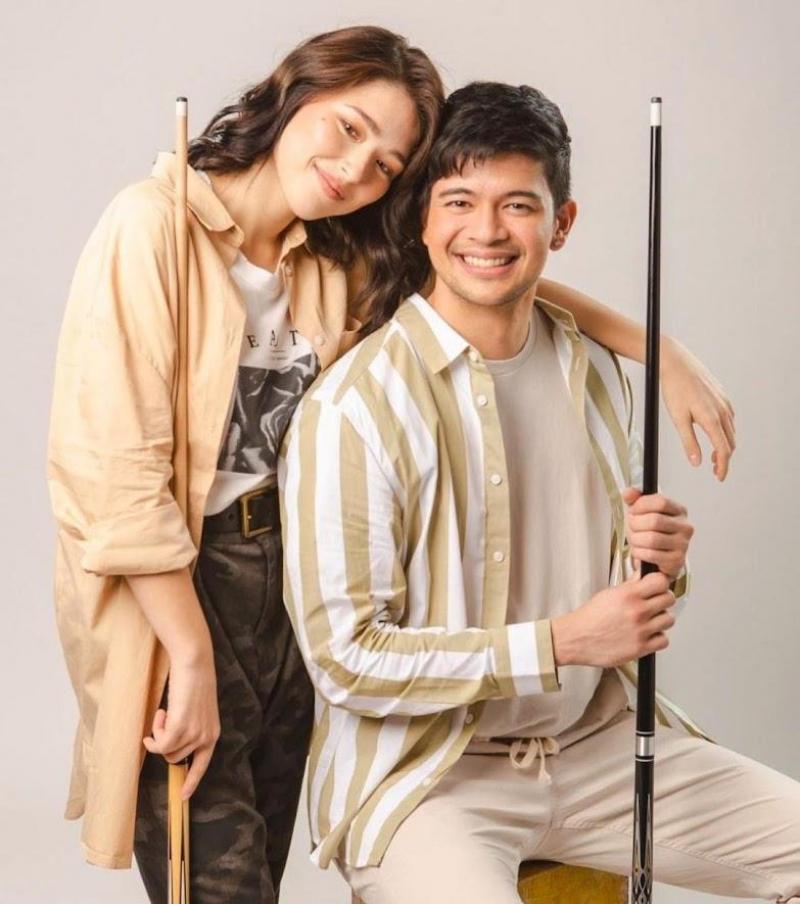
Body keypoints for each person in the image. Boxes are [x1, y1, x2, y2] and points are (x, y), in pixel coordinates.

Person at [47, 24, 734, 904]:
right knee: (209, 870)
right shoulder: (152, 228)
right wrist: (188, 653)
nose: (354, 169)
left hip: (285, 573)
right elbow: (114, 478)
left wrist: (660, 351)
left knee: (261, 854)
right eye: (348, 127)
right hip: (176, 584)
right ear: (294, 91)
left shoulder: (333, 255)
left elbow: (489, 271)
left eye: (386, 163)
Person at [279, 81, 799, 903]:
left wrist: (657, 568)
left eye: (517, 205)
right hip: (432, 781)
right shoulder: (356, 406)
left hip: (594, 750)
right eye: (459, 202)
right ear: (422, 218)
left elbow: (600, 592)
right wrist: (560, 642)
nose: (486, 231)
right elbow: (346, 658)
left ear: (561, 223)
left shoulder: (592, 370)